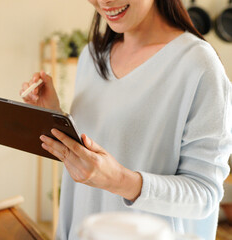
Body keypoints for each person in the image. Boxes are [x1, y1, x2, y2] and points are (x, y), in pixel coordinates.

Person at [20, 0, 232, 239]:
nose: (103, 2)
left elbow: (204, 195)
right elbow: (90, 163)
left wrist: (120, 181)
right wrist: (54, 115)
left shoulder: (198, 65)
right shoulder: (91, 57)